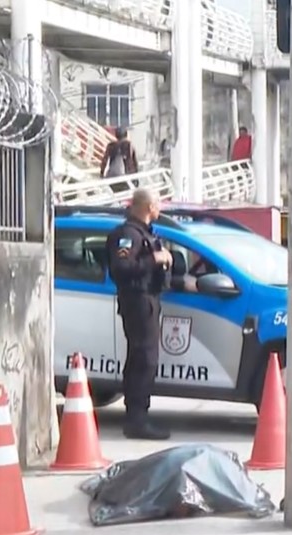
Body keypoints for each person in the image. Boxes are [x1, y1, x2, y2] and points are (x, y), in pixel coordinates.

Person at [106, 188, 173, 440]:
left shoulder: (146, 234)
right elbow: (122, 268)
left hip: (148, 299)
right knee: (144, 360)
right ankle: (136, 419)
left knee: (142, 359)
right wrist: (154, 259)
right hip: (137, 301)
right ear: (148, 207)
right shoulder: (127, 235)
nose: (160, 209)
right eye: (157, 204)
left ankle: (137, 416)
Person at [100, 127, 139, 193]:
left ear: (116, 135)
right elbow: (134, 162)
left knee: (115, 193)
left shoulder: (111, 146)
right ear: (126, 134)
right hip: (126, 176)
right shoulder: (129, 144)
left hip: (112, 176)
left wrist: (101, 174)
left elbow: (104, 161)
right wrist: (136, 176)